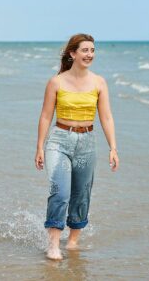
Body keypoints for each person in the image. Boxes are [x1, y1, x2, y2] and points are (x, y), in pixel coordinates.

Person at [35, 33, 119, 260]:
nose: (89, 54)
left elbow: (107, 117)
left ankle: (72, 241)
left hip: (87, 142)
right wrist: (40, 147)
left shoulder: (99, 82)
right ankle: (53, 243)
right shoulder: (56, 82)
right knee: (60, 192)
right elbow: (45, 116)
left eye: (92, 50)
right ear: (73, 54)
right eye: (85, 50)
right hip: (59, 140)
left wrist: (113, 147)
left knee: (82, 194)